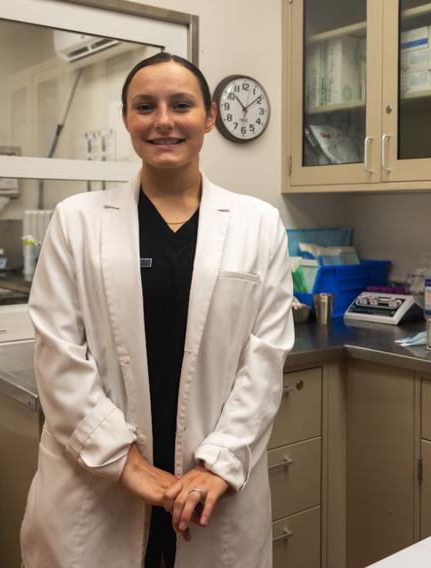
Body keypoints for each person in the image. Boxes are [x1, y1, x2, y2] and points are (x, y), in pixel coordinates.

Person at [19, 52, 295, 567]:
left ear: (209, 116)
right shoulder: (76, 221)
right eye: (145, 106)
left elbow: (266, 359)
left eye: (182, 105)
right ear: (126, 119)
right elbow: (58, 355)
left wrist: (222, 461)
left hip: (212, 485)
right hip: (99, 483)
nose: (164, 120)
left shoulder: (259, 224)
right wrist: (123, 462)